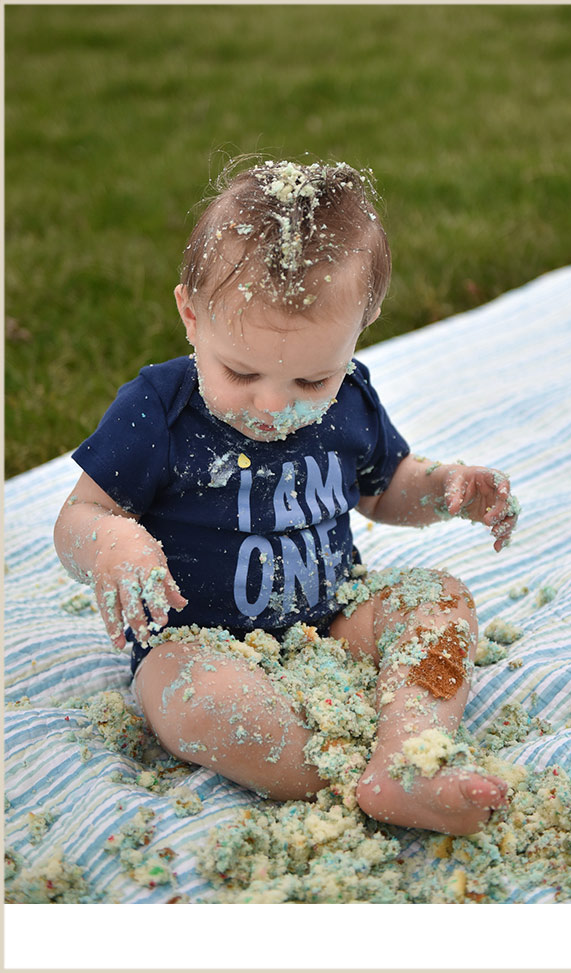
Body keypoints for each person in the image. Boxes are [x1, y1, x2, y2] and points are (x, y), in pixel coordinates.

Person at [53, 157, 520, 836]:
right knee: (194, 699)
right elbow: (79, 514)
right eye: (239, 372)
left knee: (439, 599)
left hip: (334, 624)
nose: (273, 406)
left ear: (362, 328)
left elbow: (386, 488)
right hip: (199, 642)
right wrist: (111, 544)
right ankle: (341, 771)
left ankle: (409, 754)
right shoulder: (158, 409)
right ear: (191, 315)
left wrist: (442, 490)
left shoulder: (351, 398)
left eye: (310, 381)